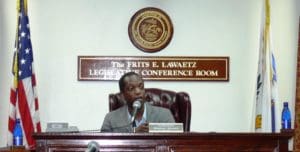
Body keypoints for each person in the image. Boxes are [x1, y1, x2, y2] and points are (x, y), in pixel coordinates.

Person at [101, 72, 175, 133]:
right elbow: (104, 145)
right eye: (131, 88)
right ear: (123, 95)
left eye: (141, 87)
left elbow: (175, 143)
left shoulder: (164, 115)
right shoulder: (111, 118)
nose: (138, 92)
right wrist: (133, 134)